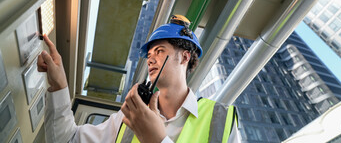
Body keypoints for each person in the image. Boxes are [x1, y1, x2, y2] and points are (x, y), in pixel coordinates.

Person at [38, 15, 240, 142]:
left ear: (185, 57)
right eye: (149, 55)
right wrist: (59, 86)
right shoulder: (129, 118)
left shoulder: (220, 120)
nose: (151, 60)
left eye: (160, 51)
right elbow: (66, 139)